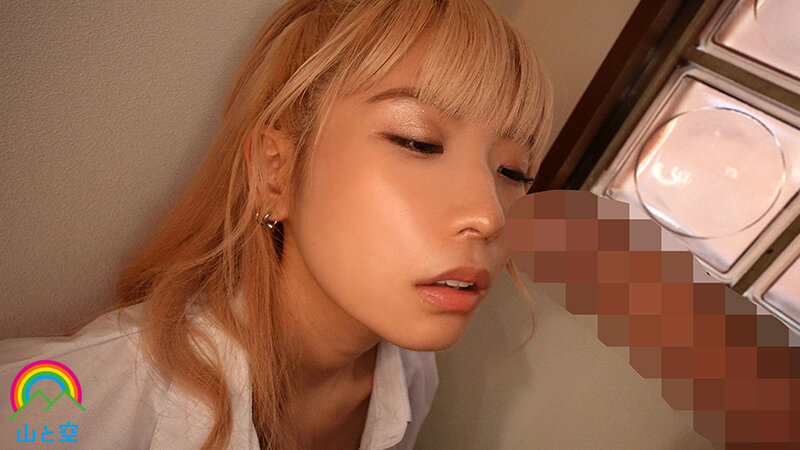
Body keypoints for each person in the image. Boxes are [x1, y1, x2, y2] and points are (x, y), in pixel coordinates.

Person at [0, 0, 552, 448]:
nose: (489, 215)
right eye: (418, 141)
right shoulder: (78, 402)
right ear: (276, 171)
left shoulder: (410, 378)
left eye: (513, 171)